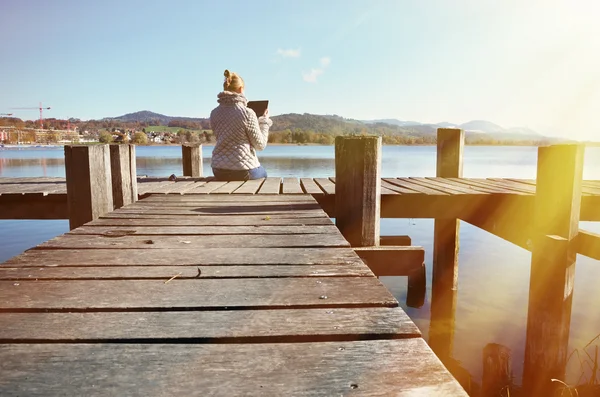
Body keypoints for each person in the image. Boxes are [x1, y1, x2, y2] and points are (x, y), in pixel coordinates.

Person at [209, 69, 272, 181]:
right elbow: (260, 145)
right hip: (243, 171)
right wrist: (264, 121)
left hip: (218, 171)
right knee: (264, 173)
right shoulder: (247, 113)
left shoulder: (214, 113)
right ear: (241, 89)